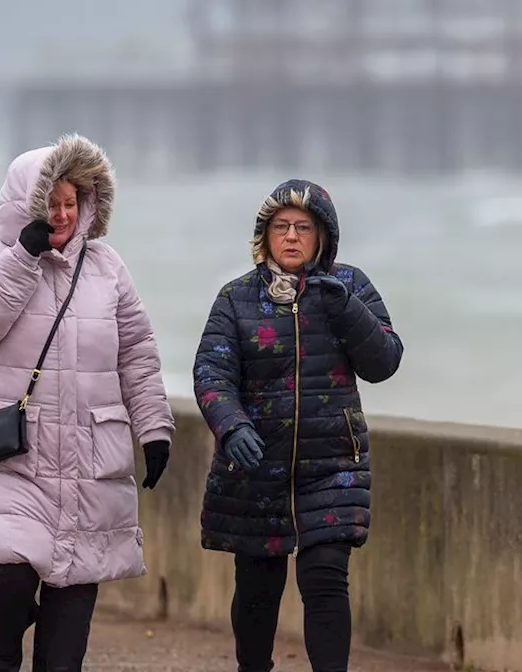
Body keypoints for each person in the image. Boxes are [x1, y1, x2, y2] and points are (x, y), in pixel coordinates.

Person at [0, 133, 175, 671]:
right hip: (12, 459)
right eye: (53, 203)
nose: (64, 214)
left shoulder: (107, 266)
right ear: (29, 202)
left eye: (73, 203)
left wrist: (154, 429)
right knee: (6, 581)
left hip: (90, 463)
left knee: (66, 646)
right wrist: (25, 255)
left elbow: (137, 352)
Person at [192, 179, 404, 672]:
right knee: (257, 590)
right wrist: (231, 426)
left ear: (323, 237)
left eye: (302, 228)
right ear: (263, 237)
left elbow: (385, 361)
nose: (290, 237)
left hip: (332, 468)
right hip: (256, 471)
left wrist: (345, 309)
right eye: (280, 227)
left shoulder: (351, 287)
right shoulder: (236, 298)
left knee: (326, 578)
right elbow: (211, 372)